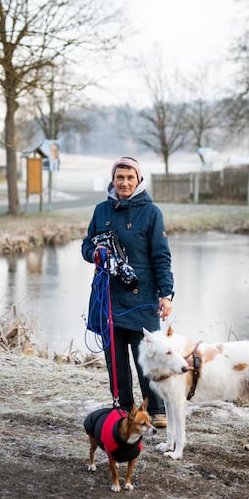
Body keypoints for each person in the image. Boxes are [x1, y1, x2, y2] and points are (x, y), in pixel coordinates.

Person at [81, 156, 174, 428]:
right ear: (113, 180)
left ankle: (155, 410)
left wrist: (166, 294)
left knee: (147, 359)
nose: (124, 182)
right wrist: (96, 253)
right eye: (119, 177)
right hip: (108, 298)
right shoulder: (101, 211)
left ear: (139, 180)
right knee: (115, 362)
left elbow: (161, 257)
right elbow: (86, 246)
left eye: (129, 178)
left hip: (142, 299)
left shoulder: (151, 213)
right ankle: (123, 410)